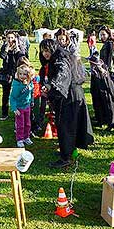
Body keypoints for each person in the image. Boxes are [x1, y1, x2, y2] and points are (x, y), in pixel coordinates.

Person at [39, 39, 94, 168]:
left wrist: (51, 88)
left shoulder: (60, 59)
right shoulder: (60, 56)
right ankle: (67, 151)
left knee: (65, 126)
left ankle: (66, 157)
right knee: (68, 125)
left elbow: (61, 76)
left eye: (47, 50)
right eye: (43, 51)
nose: (45, 54)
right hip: (70, 94)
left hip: (68, 96)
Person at [0, 31, 25, 121]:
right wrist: (6, 49)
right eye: (8, 38)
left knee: (17, 93)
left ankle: (18, 112)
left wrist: (17, 48)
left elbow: (22, 58)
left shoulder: (19, 47)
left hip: (17, 73)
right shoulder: (4, 47)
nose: (10, 40)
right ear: (6, 38)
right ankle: (4, 113)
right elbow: (2, 56)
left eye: (12, 38)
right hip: (6, 73)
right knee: (5, 94)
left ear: (15, 38)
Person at [10, 64, 34, 148]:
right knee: (20, 124)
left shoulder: (29, 83)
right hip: (19, 108)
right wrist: (14, 108)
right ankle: (19, 139)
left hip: (27, 106)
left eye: (24, 74)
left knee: (27, 123)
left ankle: (26, 137)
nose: (22, 76)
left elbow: (31, 93)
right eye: (20, 74)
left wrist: (31, 101)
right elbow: (12, 97)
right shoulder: (17, 85)